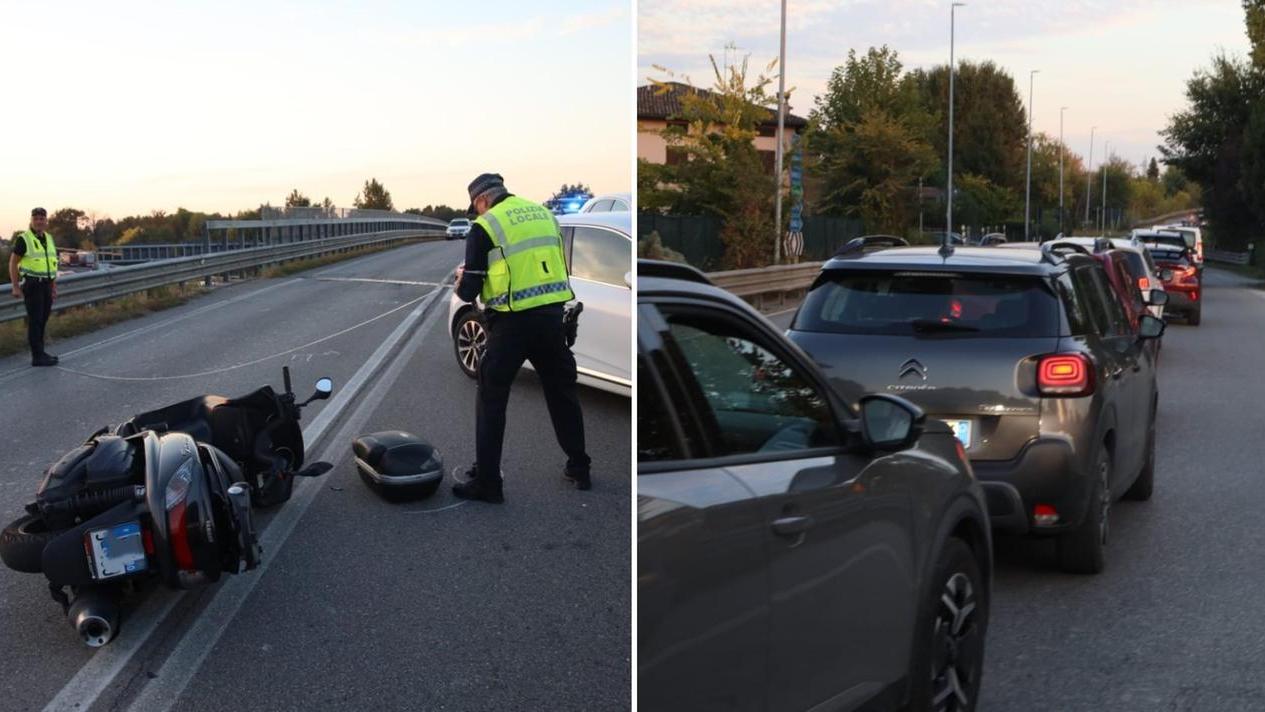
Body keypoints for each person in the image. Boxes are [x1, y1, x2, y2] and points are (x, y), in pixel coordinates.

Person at [451, 173, 591, 504]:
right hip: (552, 319)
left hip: (511, 325)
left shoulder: (486, 227)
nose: (478, 213)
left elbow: (470, 289)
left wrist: (459, 281)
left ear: (482, 200)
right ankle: (579, 467)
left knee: (491, 397)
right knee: (562, 395)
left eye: (476, 208)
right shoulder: (545, 215)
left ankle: (488, 482)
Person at [9, 207, 59, 367]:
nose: (39, 221)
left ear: (46, 221)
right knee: (35, 321)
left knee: (43, 319)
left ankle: (41, 352)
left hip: (46, 285)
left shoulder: (49, 238)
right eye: (36, 219)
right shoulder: (24, 239)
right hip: (32, 285)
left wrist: (53, 286)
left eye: (42, 219)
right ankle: (37, 357)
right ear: (31, 220)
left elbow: (51, 264)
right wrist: (15, 286)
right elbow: (13, 262)